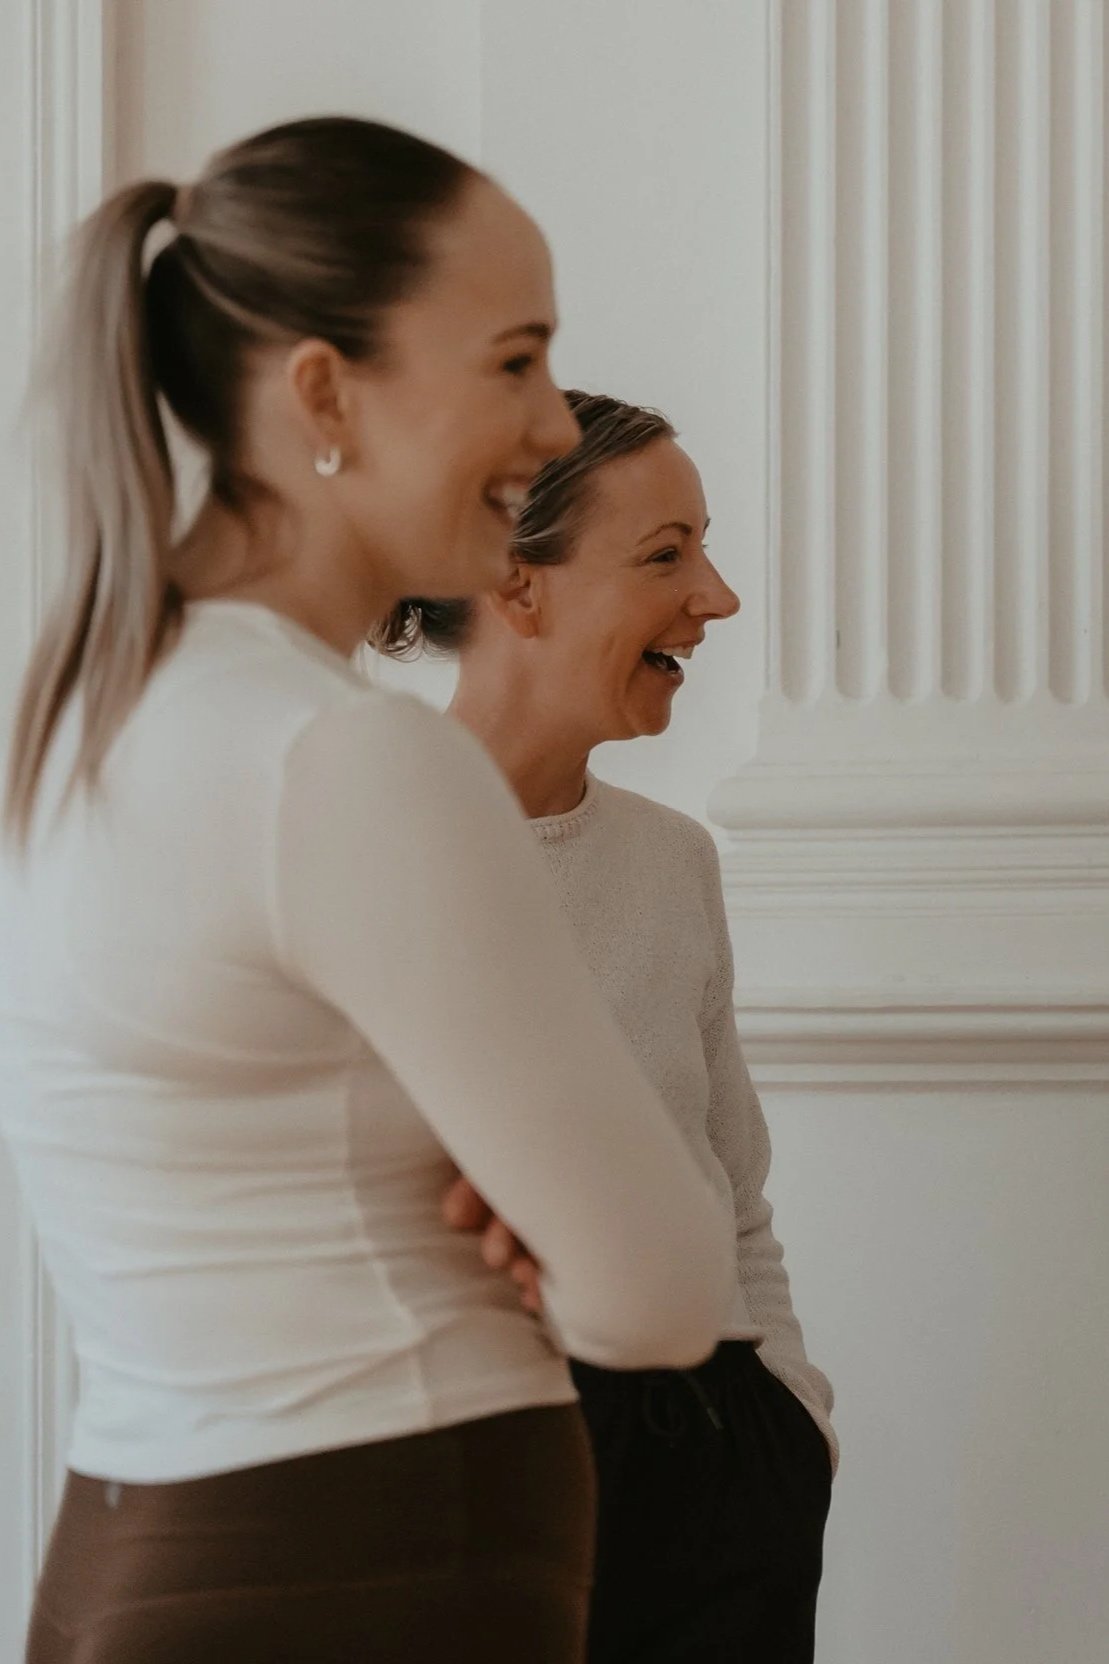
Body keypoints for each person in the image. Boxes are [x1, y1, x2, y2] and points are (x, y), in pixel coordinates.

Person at [0, 123, 739, 1664]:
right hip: (382, 1550)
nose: (549, 429)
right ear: (325, 392)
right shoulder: (344, 754)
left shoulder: (85, 711)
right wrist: (560, 1223)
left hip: (135, 1543)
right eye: (516, 362)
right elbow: (661, 1292)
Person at [378, 391, 836, 1663]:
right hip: (470, 1474)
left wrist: (791, 1423)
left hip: (719, 1472)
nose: (718, 596)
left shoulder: (670, 863)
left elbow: (731, 1193)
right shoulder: (360, 843)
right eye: (664, 554)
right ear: (516, 584)